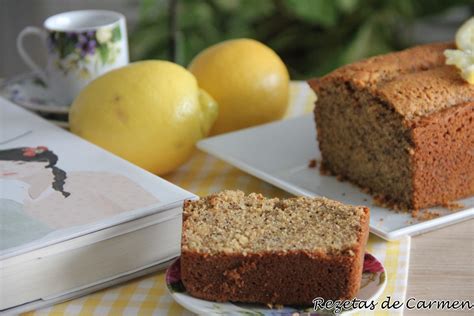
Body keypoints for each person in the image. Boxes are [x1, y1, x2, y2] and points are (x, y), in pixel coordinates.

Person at [0, 146, 159, 251]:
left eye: (18, 163)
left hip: (133, 243)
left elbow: (148, 207)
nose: (7, 170)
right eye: (1, 166)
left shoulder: (89, 179)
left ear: (44, 162)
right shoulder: (27, 202)